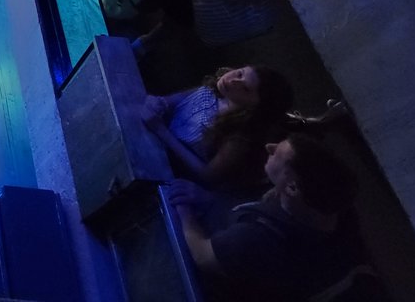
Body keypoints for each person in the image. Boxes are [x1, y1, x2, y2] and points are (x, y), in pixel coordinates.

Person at [170, 134, 376, 301]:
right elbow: (249, 206)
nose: (269, 146)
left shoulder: (260, 239)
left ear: (293, 187)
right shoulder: (333, 212)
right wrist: (210, 200)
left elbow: (202, 255)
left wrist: (183, 211)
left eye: (278, 152)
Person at [143, 65, 296, 191]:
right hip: (150, 138)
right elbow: (172, 101)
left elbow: (208, 176)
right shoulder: (212, 90)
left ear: (256, 108)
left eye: (245, 89)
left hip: (168, 167)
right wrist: (159, 103)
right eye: (240, 73)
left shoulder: (239, 137)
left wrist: (161, 131)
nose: (233, 81)